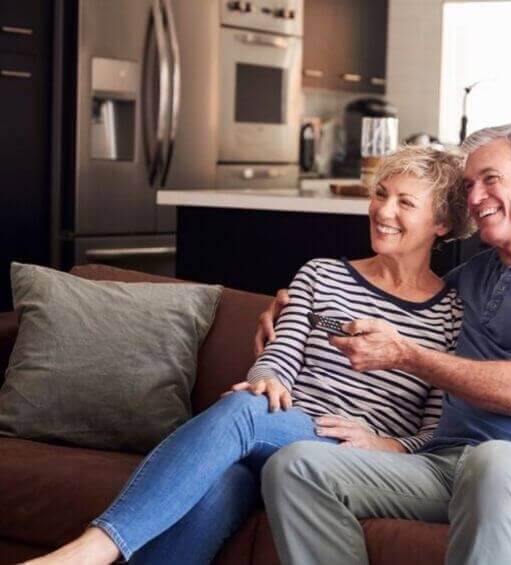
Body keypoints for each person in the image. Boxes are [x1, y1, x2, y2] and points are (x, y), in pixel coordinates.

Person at [27, 146, 472, 565]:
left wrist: (387, 445)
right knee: (225, 476)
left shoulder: (452, 315)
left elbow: (437, 429)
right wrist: (269, 379)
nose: (383, 210)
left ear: (441, 224)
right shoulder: (321, 274)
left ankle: (92, 549)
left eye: (405, 203)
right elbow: (279, 354)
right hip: (283, 423)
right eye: (380, 194)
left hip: (347, 454)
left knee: (241, 413)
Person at [257, 123, 511, 565]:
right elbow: (385, 311)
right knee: (295, 466)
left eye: (490, 180)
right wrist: (294, 309)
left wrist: (407, 354)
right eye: (468, 185)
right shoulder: (469, 279)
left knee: (495, 463)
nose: (475, 197)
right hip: (444, 466)